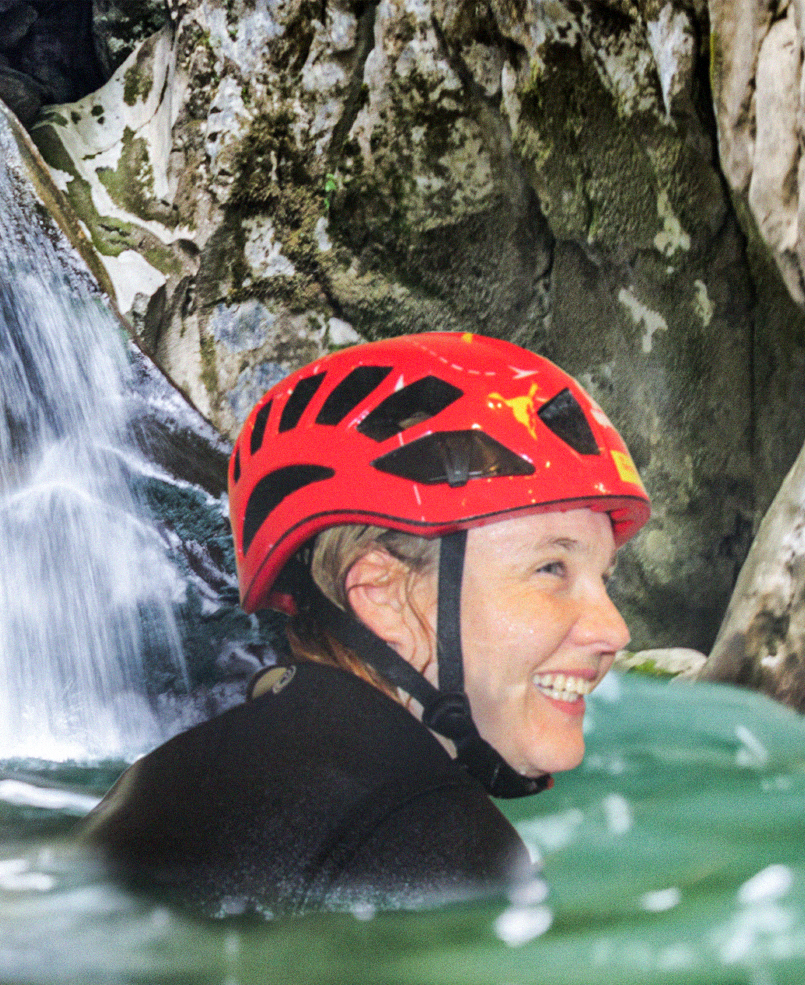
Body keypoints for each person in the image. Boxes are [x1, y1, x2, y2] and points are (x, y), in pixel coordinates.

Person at [83, 332, 651, 915]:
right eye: (551, 568)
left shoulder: (168, 778)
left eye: (603, 578)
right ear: (383, 596)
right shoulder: (424, 836)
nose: (614, 631)